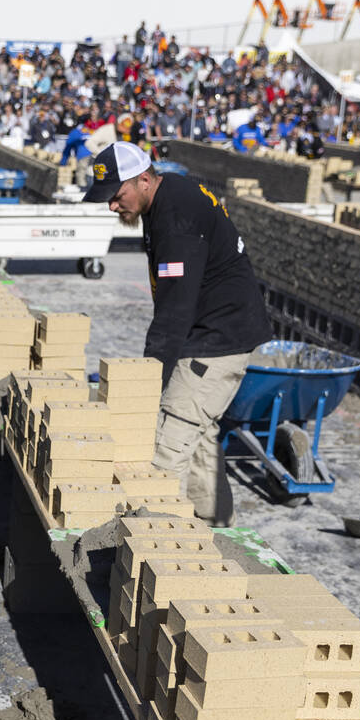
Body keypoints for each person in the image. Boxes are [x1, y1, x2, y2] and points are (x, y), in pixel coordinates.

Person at [84, 141, 272, 525]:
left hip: (217, 339)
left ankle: (167, 550)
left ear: (144, 180)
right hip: (215, 330)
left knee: (170, 441)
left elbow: (174, 311)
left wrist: (147, 379)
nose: (112, 206)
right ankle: (212, 525)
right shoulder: (166, 199)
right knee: (199, 433)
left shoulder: (176, 218)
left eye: (117, 195)